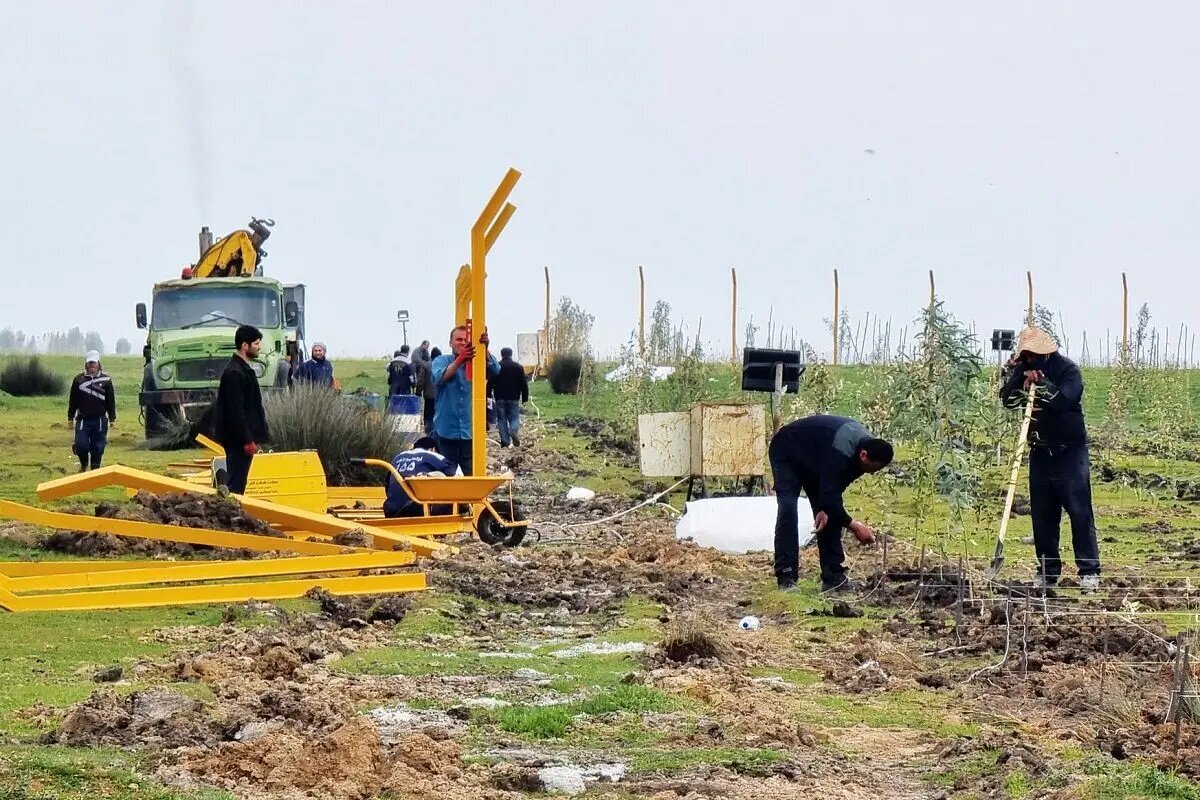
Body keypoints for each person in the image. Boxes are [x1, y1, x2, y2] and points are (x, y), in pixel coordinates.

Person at [1000, 326, 1101, 592]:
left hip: (1070, 452)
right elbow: (1007, 400)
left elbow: (1063, 400)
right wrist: (1019, 382)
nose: (1029, 359)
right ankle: (1047, 572)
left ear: (1044, 352)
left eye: (1032, 355)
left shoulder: (1068, 370)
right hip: (1040, 452)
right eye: (1025, 355)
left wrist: (1042, 384)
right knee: (1043, 515)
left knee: (1079, 512)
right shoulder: (1023, 369)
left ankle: (1089, 571)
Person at [769, 414, 894, 593]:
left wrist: (824, 507)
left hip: (817, 459)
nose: (872, 473)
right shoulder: (842, 452)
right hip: (787, 451)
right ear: (863, 455)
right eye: (871, 468)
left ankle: (833, 577)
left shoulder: (865, 452)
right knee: (788, 509)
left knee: (830, 513)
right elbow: (831, 495)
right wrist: (855, 526)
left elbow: (834, 493)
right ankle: (786, 576)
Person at [431, 326, 499, 476]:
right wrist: (459, 360)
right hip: (446, 431)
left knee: (472, 476)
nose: (462, 343)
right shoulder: (441, 361)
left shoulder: (477, 363)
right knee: (446, 477)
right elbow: (438, 378)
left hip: (471, 432)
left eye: (465, 340)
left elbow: (496, 370)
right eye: (458, 339)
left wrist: (484, 349)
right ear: (450, 343)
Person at [212, 325, 269, 494]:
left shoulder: (242, 370)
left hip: (243, 438)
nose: (259, 347)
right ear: (245, 345)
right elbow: (235, 411)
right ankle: (230, 509)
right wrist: (247, 440)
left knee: (239, 482)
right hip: (238, 440)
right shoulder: (234, 373)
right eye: (256, 343)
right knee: (236, 485)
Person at [382, 436, 458, 518]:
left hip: (392, 511)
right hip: (420, 511)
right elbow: (456, 480)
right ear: (433, 449)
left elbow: (387, 486)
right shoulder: (436, 456)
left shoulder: (397, 458)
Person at [67, 350, 116, 471]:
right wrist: (70, 417)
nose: (92, 366)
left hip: (99, 420)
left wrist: (112, 418)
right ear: (86, 364)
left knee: (98, 448)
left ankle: (95, 471)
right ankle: (84, 464)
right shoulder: (78, 380)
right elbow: (73, 400)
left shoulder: (106, 380)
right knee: (81, 446)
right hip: (83, 419)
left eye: (94, 363)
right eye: (90, 363)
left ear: (98, 363)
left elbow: (110, 400)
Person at [490, 347, 530, 447]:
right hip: (514, 397)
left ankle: (505, 440)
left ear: (502, 354)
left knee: (501, 419)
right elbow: (524, 384)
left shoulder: (497, 366)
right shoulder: (518, 367)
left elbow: (490, 383)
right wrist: (525, 398)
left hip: (499, 397)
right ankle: (513, 430)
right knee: (514, 417)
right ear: (511, 354)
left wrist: (488, 395)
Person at [418, 347, 441, 435]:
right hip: (441, 396)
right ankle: (437, 433)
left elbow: (421, 380)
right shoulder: (443, 365)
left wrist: (418, 392)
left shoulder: (426, 365)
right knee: (439, 414)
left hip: (429, 395)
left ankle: (429, 433)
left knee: (428, 415)